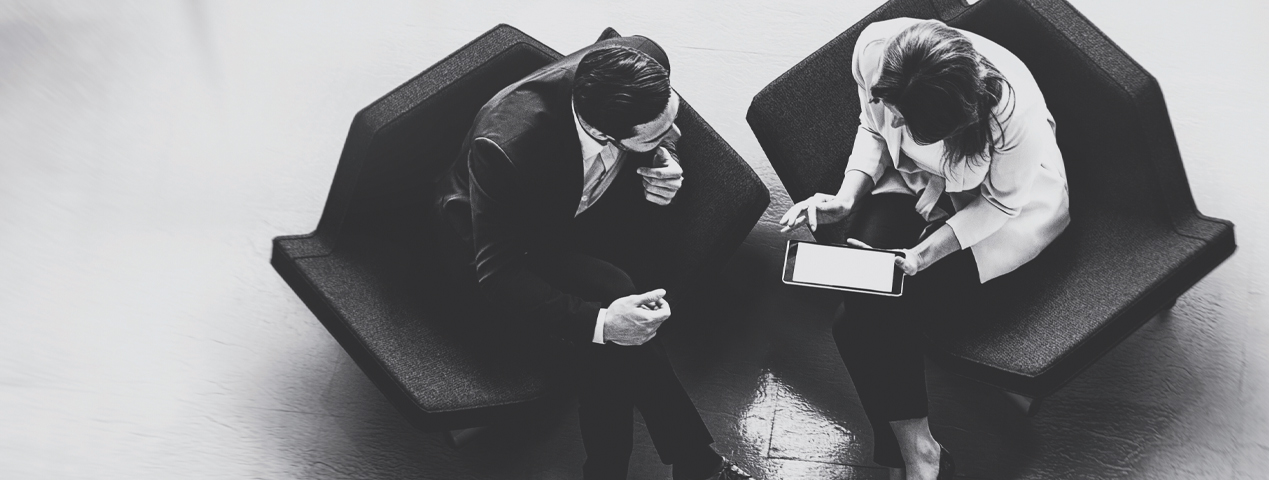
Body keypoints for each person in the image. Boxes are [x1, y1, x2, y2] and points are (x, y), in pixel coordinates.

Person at [431, 34, 754, 480]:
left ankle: (632, 468)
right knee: (613, 316)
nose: (676, 133)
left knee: (612, 324)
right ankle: (693, 464)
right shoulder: (508, 147)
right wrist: (604, 324)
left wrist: (666, 154)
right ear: (603, 132)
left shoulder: (642, 56)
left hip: (583, 215)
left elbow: (672, 134)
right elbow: (500, 275)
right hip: (507, 243)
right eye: (658, 134)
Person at [778, 18, 1070, 480]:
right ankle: (918, 452)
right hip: (910, 179)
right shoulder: (874, 51)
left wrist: (921, 256)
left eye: (906, 119)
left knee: (866, 316)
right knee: (858, 315)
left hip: (997, 209)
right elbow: (873, 130)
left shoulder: (1015, 114)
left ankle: (910, 456)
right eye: (891, 106)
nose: (893, 120)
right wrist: (846, 197)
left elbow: (997, 202)